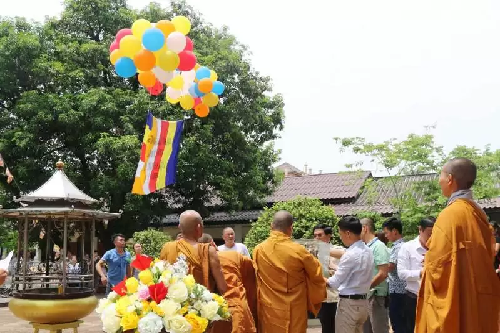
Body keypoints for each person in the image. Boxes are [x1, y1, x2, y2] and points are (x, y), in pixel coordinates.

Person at [415, 158, 500, 333]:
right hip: (477, 296)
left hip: (456, 297)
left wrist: (427, 266)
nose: (439, 180)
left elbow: (436, 265)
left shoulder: (450, 215)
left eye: (441, 175)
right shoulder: (480, 214)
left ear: (450, 179)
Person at [253, 210, 326, 333]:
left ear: (271, 226)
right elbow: (316, 274)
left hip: (269, 308)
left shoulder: (259, 249)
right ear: (291, 228)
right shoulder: (298, 250)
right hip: (294, 308)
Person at [199, 233, 257, 333]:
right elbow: (253, 271)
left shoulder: (197, 264)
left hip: (212, 312)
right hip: (236, 307)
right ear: (213, 244)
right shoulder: (232, 255)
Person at [160, 210, 227, 294]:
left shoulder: (167, 247)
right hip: (202, 304)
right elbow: (222, 286)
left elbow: (161, 279)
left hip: (175, 304)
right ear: (199, 227)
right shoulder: (208, 250)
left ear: (179, 227)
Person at [327, 216, 373, 333]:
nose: (340, 237)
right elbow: (355, 273)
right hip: (363, 303)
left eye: (340, 234)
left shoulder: (349, 254)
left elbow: (333, 283)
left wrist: (316, 276)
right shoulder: (368, 250)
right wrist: (336, 269)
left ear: (348, 233)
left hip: (349, 305)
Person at [397, 217, 435, 333]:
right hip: (414, 298)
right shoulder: (407, 248)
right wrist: (421, 273)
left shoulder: (438, 248)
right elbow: (402, 273)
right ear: (420, 230)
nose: (432, 238)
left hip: (434, 299)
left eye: (435, 234)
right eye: (429, 234)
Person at [360, 218, 390, 333]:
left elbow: (383, 273)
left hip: (376, 297)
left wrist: (366, 286)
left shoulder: (379, 246)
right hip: (367, 296)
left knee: (379, 330)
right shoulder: (366, 247)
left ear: (365, 228)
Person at [313, 224, 343, 333]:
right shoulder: (312, 254)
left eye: (320, 235)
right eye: (315, 236)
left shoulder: (338, 250)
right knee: (326, 326)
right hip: (322, 296)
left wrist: (332, 268)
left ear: (329, 235)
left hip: (337, 295)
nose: (316, 238)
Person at [382, 217, 406, 333]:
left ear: (395, 231)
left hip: (398, 292)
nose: (386, 236)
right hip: (403, 292)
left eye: (387, 233)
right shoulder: (404, 245)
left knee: (398, 325)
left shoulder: (398, 247)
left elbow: (390, 267)